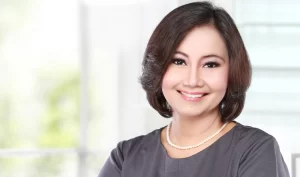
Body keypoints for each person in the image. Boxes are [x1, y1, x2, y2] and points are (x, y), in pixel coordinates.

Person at [98, 1, 290, 177]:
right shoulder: (126, 157)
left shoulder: (256, 151)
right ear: (158, 67)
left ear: (232, 71)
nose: (193, 80)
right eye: (179, 61)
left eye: (210, 64)